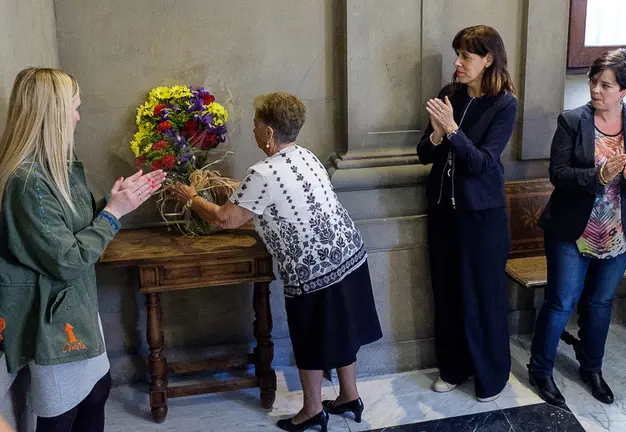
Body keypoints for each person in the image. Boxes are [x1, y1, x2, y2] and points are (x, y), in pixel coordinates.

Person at [169, 92, 382, 431]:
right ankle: (349, 396)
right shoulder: (305, 155)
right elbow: (272, 193)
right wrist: (228, 184)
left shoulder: (262, 172)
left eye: (255, 124)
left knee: (311, 339)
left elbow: (226, 219)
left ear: (268, 132)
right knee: (344, 331)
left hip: (314, 271)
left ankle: (312, 411)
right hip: (350, 256)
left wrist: (192, 198)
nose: (253, 129)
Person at [0, 68, 165, 431]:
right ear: (54, 114)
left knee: (96, 392)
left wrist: (113, 202)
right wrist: (113, 215)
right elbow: (66, 259)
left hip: (75, 308)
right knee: (64, 413)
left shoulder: (55, 169)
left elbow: (65, 229)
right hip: (53, 320)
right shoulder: (28, 183)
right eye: (74, 107)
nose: (78, 115)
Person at [528, 49, 626, 406]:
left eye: (606, 85)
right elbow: (558, 174)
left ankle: (592, 368)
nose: (596, 90)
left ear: (625, 91)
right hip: (573, 230)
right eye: (593, 81)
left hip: (620, 230)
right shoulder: (572, 120)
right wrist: (599, 175)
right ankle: (541, 368)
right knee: (560, 301)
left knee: (600, 302)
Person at [416, 25, 517, 402]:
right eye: (456, 54)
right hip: (443, 212)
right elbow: (424, 154)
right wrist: (438, 135)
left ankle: (491, 376)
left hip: (481, 218)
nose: (457, 63)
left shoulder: (504, 104)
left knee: (482, 295)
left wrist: (454, 130)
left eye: (466, 57)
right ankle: (453, 368)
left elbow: (482, 164)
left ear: (488, 59)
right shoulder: (449, 95)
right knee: (447, 293)